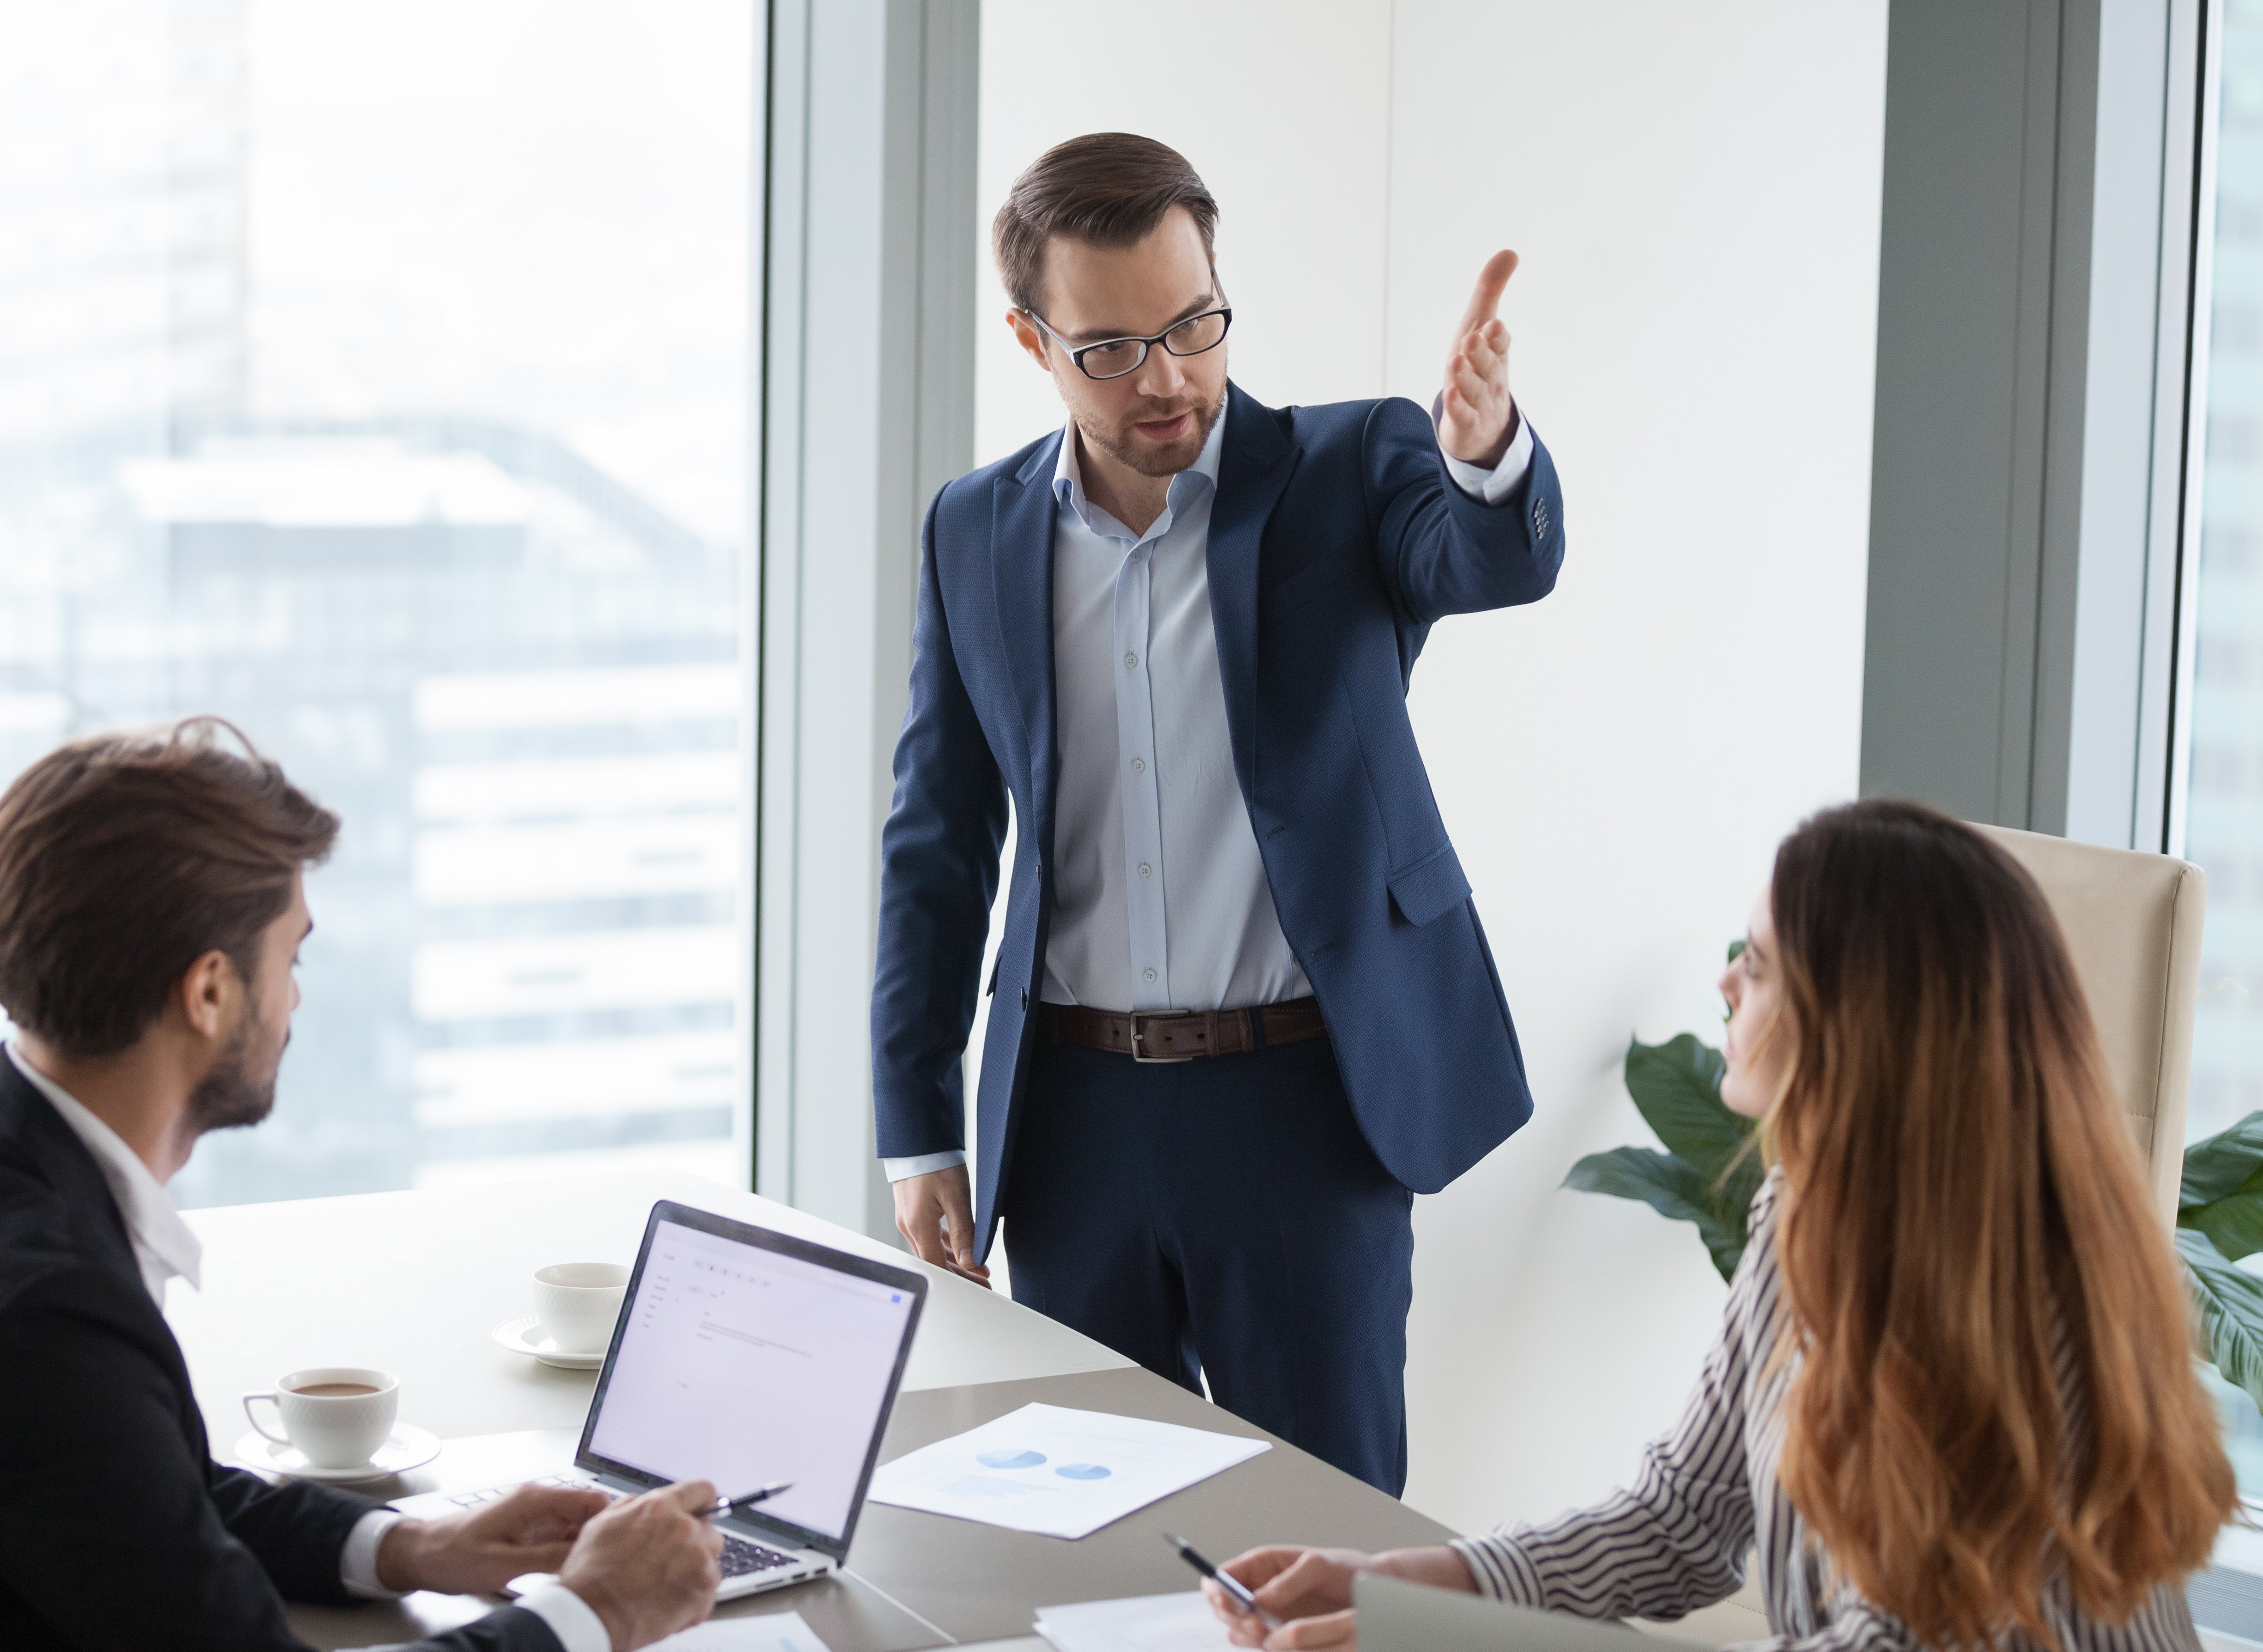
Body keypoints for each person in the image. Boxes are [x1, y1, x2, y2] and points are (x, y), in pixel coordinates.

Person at [871, 131, 1565, 1495]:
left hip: (1304, 1107)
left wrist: (1484, 457)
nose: (1171, 375)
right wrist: (918, 1128)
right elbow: (935, 850)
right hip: (1073, 1125)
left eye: (1195, 324)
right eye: (1114, 347)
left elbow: (1487, 560)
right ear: (1033, 341)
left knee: (1329, 1540)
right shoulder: (974, 531)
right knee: (1082, 1532)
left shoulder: (1347, 469)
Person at [1203, 800, 2235, 1652]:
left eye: (1763, 960)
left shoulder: (2017, 1298)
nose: (1725, 980)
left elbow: (1902, 1638)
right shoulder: (1808, 1210)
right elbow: (1680, 1518)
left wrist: (1452, 1639)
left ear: (1858, 1019)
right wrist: (1410, 1581)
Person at [0, 721, 724, 1652]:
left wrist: (408, 1545)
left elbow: (148, 1486)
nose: (298, 998)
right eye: (293, 955)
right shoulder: (39, 1316)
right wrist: (597, 1609)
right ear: (208, 993)